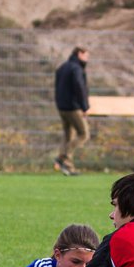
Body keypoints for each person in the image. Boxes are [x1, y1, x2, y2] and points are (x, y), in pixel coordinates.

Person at [53, 46, 89, 176]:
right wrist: (84, 107)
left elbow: (57, 88)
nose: (87, 59)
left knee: (68, 136)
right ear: (79, 54)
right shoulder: (76, 69)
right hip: (73, 107)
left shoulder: (62, 67)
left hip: (62, 107)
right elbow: (80, 88)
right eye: (86, 56)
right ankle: (62, 157)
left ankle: (68, 166)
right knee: (83, 134)